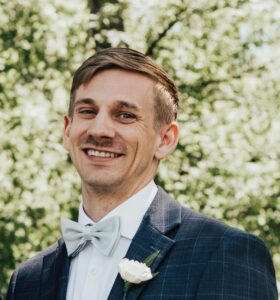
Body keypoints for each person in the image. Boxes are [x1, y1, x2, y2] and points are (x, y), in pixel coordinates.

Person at [7, 48, 278, 300]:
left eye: (125, 115)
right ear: (68, 130)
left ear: (165, 140)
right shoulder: (28, 279)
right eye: (88, 111)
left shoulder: (226, 253)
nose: (99, 129)